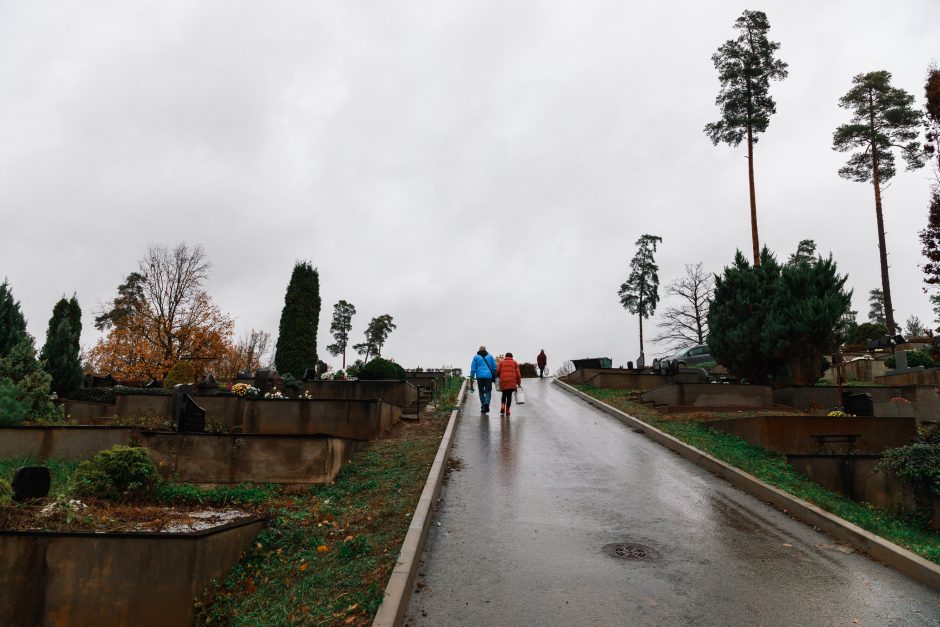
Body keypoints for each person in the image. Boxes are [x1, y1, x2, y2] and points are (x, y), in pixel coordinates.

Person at [469, 345, 498, 414]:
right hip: (488, 377)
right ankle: (487, 403)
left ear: (479, 350)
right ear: (485, 350)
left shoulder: (476, 357)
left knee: (481, 392)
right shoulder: (490, 356)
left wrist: (472, 377)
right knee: (488, 391)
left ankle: (483, 407)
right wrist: (495, 376)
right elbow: (494, 367)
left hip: (480, 377)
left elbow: (473, 369)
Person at [496, 351, 522, 417]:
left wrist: (500, 376)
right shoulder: (515, 363)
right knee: (509, 396)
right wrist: (519, 383)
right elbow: (518, 375)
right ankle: (507, 410)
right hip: (512, 382)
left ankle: (502, 406)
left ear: (505, 356)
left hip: (504, 381)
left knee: (504, 394)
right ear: (512, 357)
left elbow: (498, 372)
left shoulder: (501, 363)